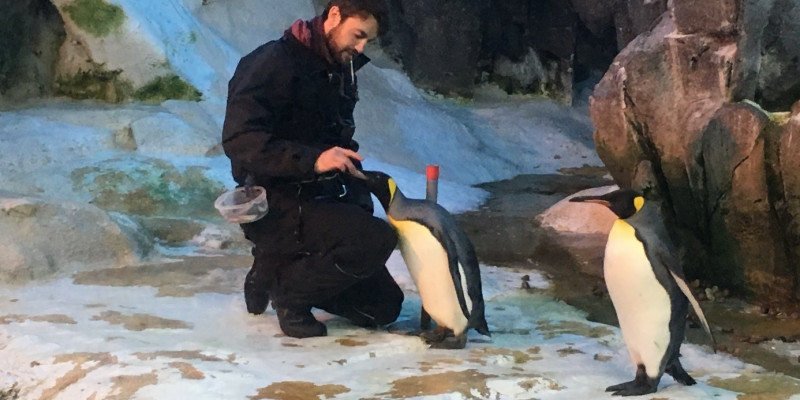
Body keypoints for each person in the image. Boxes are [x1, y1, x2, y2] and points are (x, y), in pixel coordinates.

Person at [221, 0, 403, 338]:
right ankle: (289, 293)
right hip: (273, 201)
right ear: (334, 15)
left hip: (320, 198)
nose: (362, 48)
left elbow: (335, 141)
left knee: (383, 308)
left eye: (369, 41)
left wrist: (356, 188)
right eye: (358, 35)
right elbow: (241, 140)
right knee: (374, 238)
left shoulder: (337, 67)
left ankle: (275, 267)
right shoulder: (272, 64)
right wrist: (313, 160)